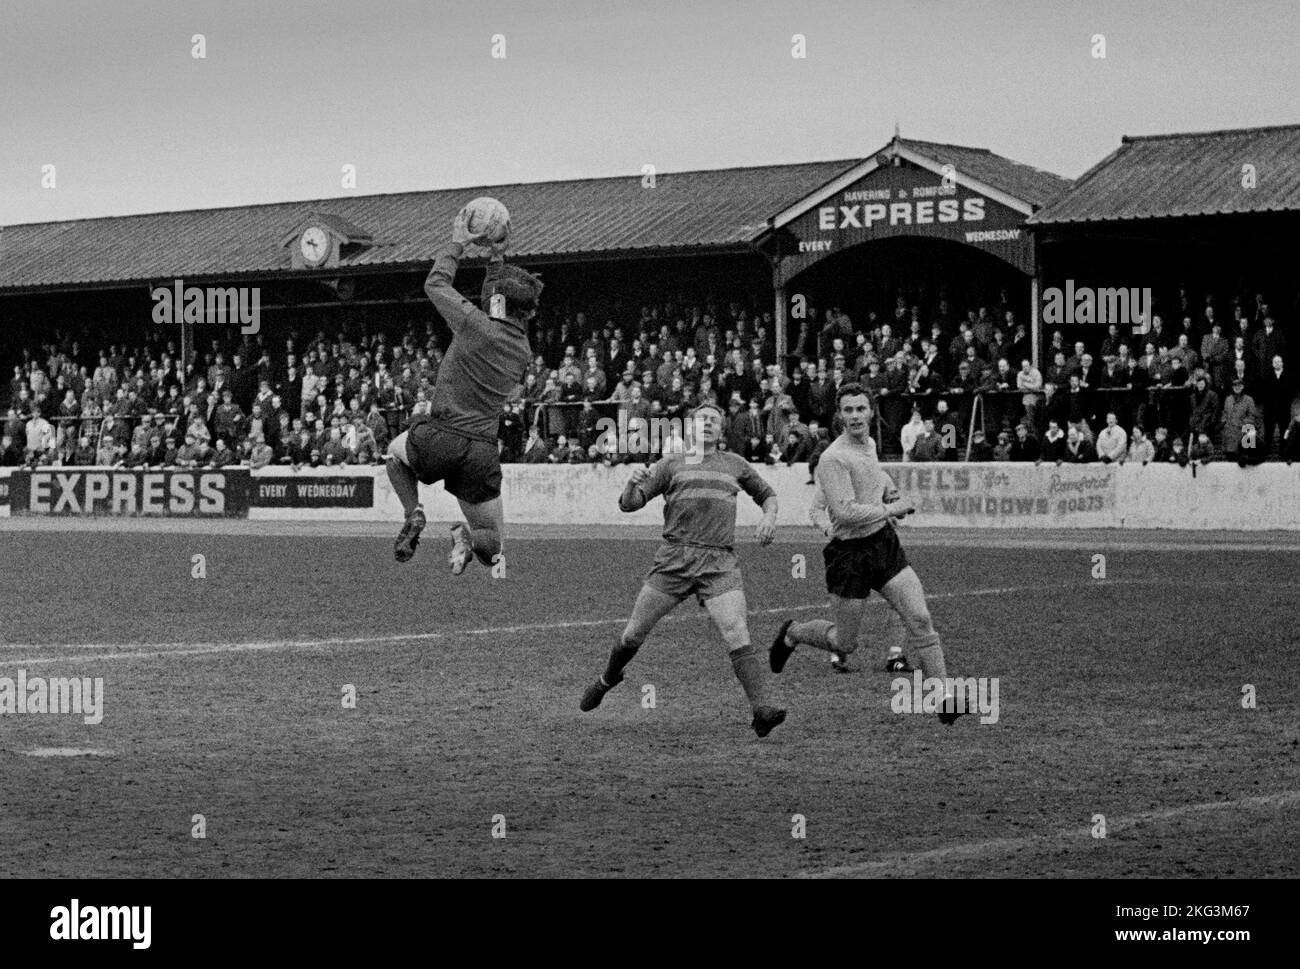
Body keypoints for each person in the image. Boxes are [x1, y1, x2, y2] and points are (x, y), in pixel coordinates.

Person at [576, 403, 786, 738]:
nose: (707, 425)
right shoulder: (671, 463)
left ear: (721, 430)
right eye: (702, 420)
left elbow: (768, 496)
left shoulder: (735, 464)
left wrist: (769, 517)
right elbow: (629, 504)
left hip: (718, 562)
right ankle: (607, 679)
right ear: (690, 427)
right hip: (674, 560)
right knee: (633, 634)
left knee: (736, 631)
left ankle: (761, 709)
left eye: (714, 421)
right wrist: (631, 484)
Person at [769, 384, 967, 724]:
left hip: (883, 544)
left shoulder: (870, 444)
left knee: (919, 619)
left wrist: (888, 489)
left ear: (871, 411)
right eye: (848, 410)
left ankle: (944, 699)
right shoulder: (832, 458)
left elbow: (872, 475)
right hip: (849, 555)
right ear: (839, 415)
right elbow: (845, 513)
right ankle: (794, 633)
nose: (855, 416)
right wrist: (893, 508)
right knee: (845, 644)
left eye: (861, 409)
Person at [386, 207, 541, 575]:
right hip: (480, 451)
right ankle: (466, 539)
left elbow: (435, 285)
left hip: (439, 437)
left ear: (498, 304)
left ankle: (414, 512)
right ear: (530, 313)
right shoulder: (523, 350)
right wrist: (497, 256)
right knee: (493, 546)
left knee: (394, 455)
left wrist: (458, 243)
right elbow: (499, 301)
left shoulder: (474, 325)